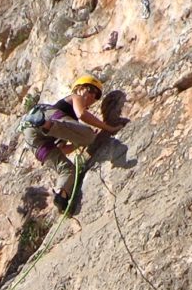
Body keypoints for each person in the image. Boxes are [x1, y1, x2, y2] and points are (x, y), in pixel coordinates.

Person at [22, 75, 123, 211]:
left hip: (32, 138)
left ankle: (61, 196)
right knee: (89, 136)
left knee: (68, 169)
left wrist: (76, 144)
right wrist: (109, 128)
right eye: (91, 91)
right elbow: (81, 114)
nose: (93, 97)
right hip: (46, 116)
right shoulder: (76, 97)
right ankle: (45, 124)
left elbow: (62, 149)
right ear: (80, 89)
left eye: (97, 96)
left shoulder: (66, 129)